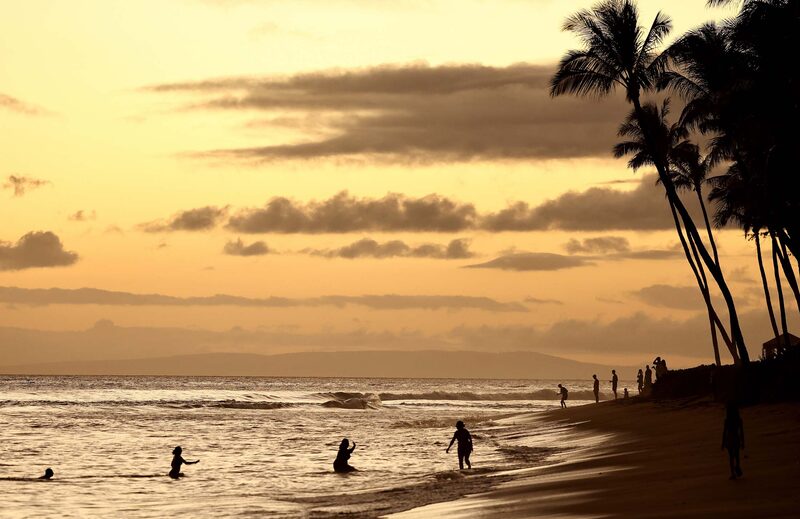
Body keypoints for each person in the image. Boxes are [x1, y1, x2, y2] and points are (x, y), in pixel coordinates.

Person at [721, 403, 745, 480]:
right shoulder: (739, 420)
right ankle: (737, 466)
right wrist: (743, 442)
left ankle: (732, 473)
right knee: (737, 455)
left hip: (729, 438)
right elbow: (741, 432)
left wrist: (723, 443)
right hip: (736, 438)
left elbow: (724, 432)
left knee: (731, 456)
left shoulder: (727, 420)